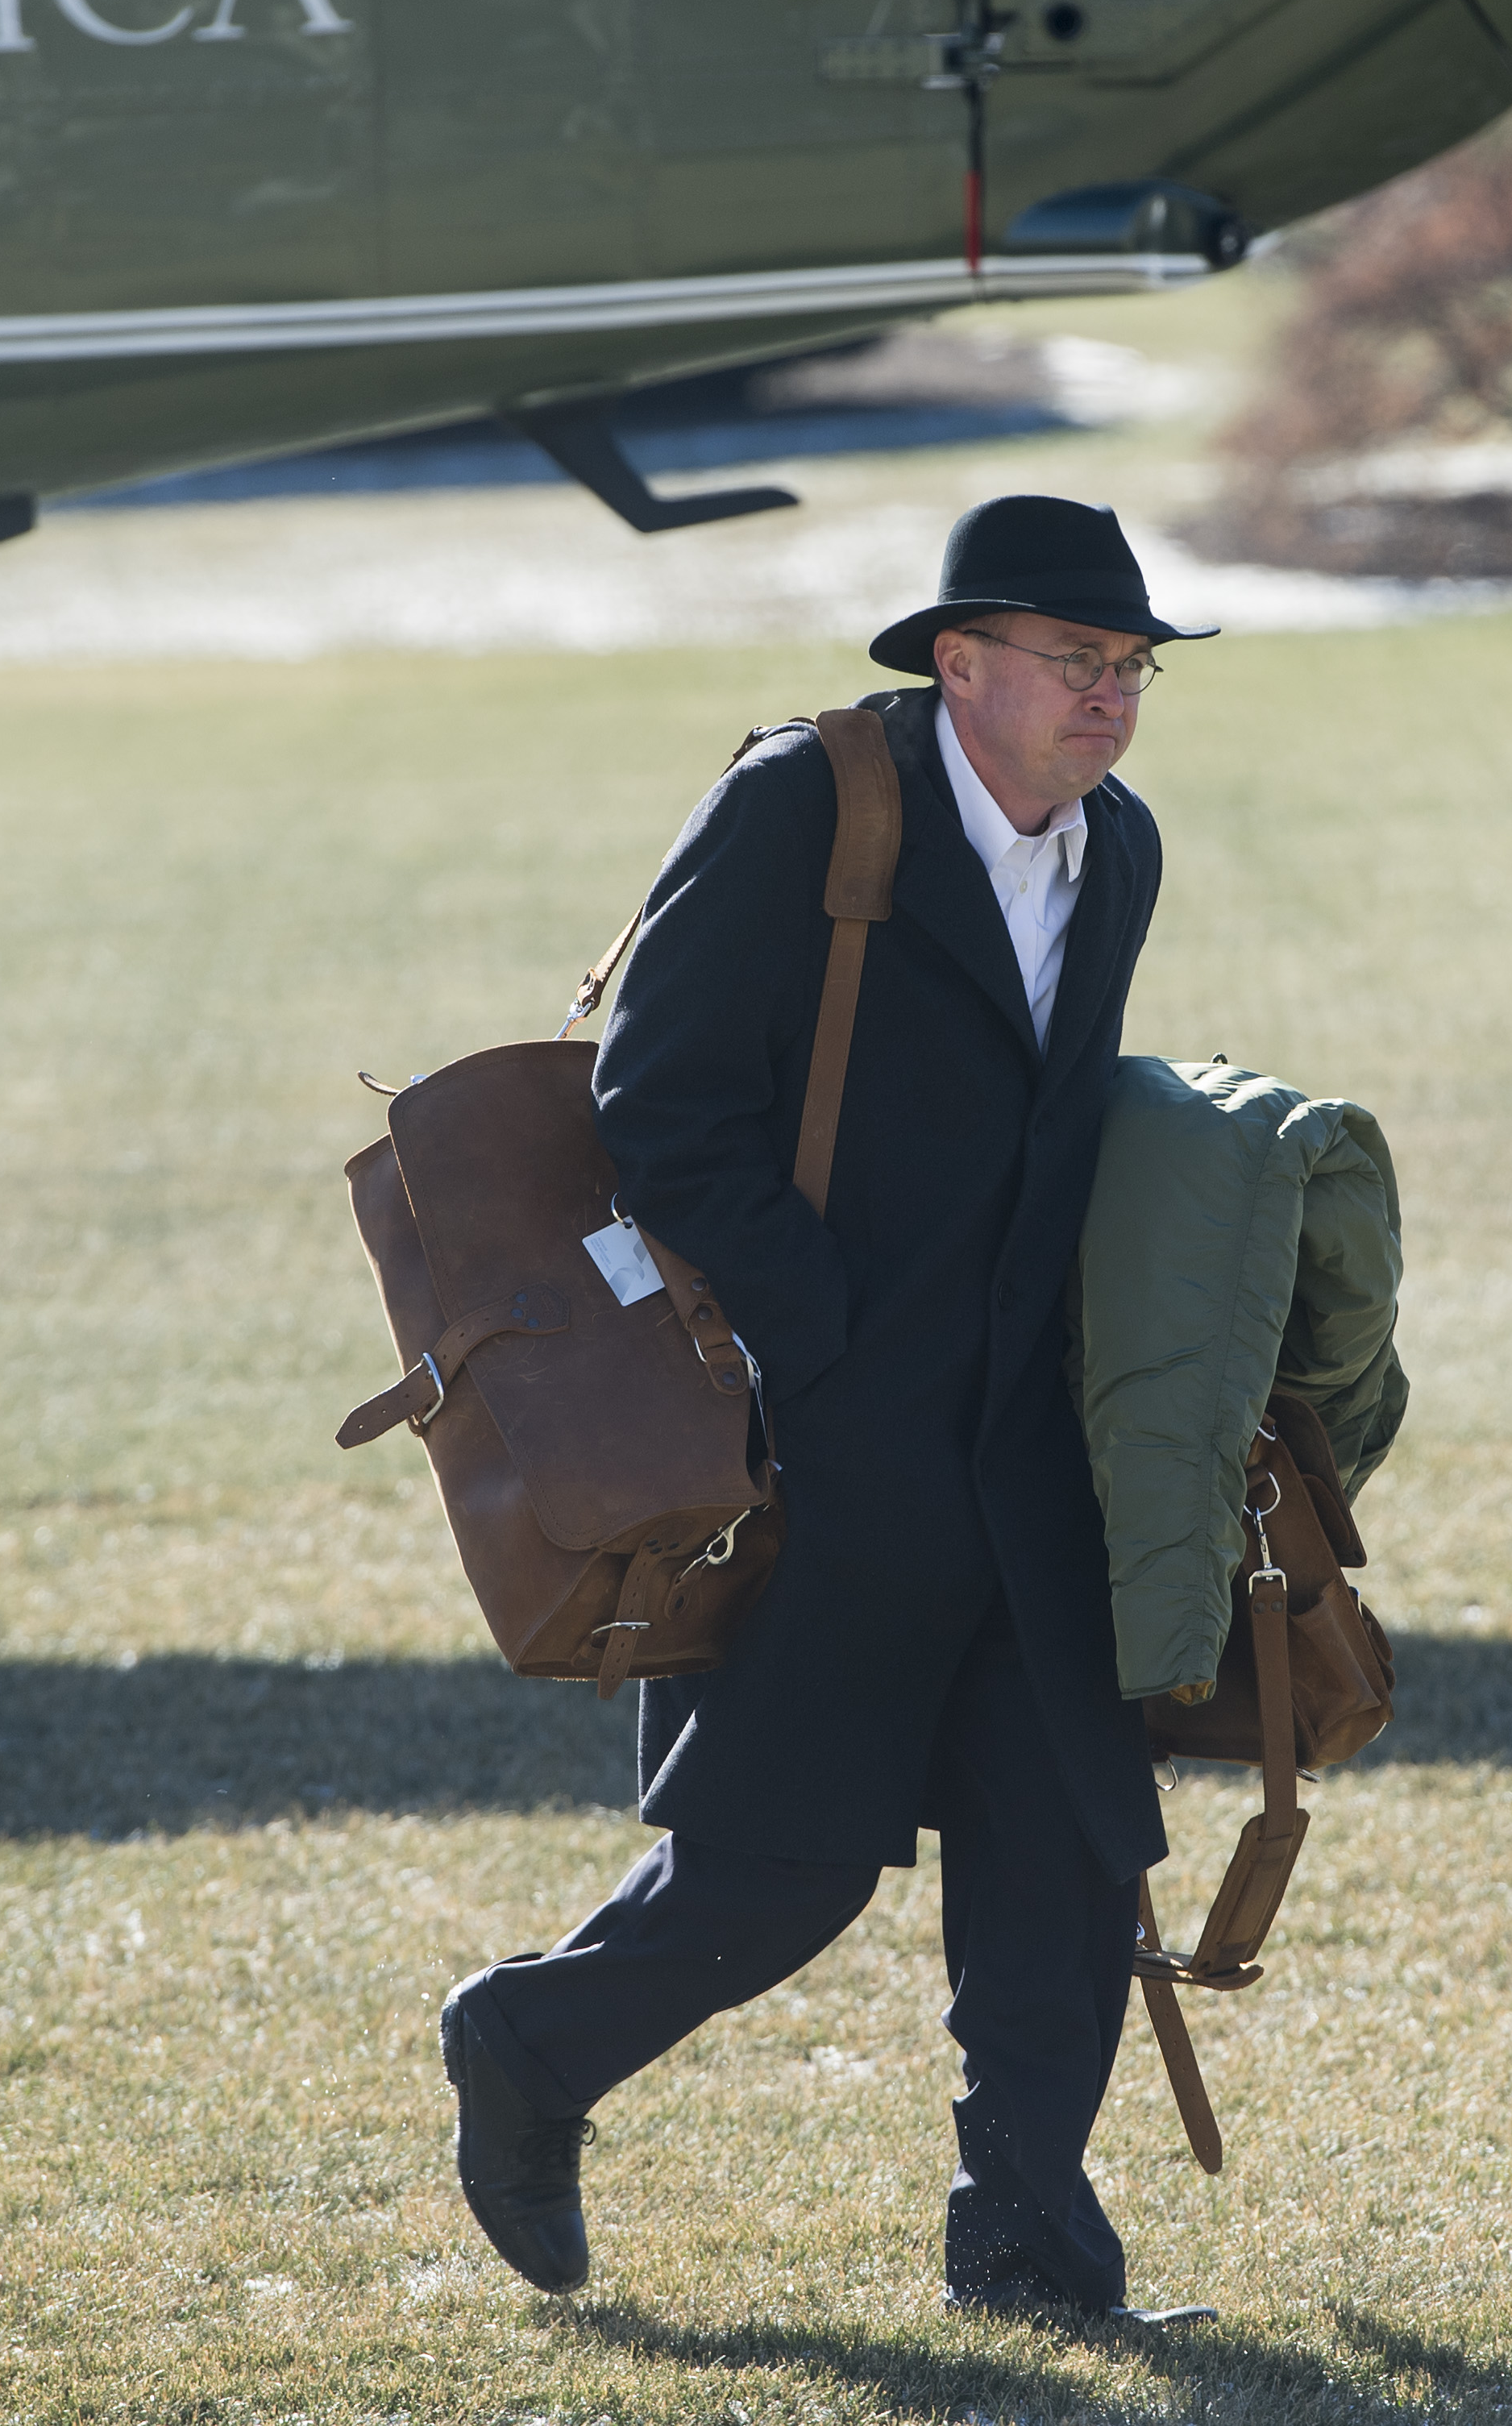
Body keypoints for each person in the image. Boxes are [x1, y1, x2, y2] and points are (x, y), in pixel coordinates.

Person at [435, 495, 1215, 2320]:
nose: (1111, 697)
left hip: (1034, 1448)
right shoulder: (814, 800)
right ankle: (530, 2045)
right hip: (830, 1434)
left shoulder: (1125, 847)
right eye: (1076, 659)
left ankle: (1031, 2243)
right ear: (962, 664)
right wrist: (826, 1339)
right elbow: (666, 1097)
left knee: (1065, 1842)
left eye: (1133, 666)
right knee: (779, 1871)